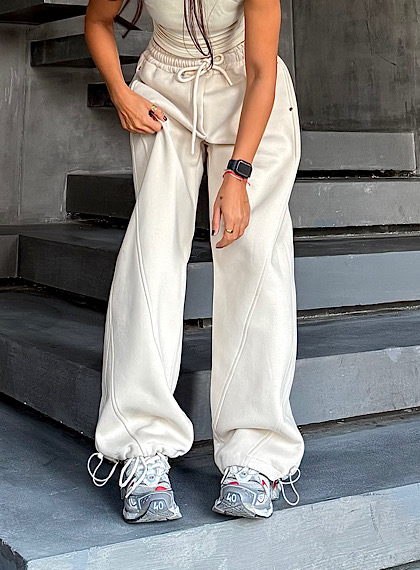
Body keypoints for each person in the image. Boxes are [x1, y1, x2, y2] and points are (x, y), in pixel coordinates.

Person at [85, 0, 304, 522]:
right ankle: (141, 443)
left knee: (255, 259)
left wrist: (238, 174)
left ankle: (256, 454)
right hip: (165, 86)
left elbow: (261, 71)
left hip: (249, 88)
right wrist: (120, 92)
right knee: (151, 256)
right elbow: (96, 21)